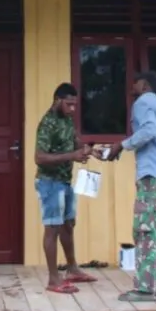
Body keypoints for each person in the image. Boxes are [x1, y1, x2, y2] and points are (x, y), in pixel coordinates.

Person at [104, 71, 156, 302]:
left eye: (135, 82)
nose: (132, 86)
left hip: (152, 175)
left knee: (144, 229)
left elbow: (149, 131)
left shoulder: (143, 102)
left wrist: (121, 145)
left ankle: (144, 289)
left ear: (145, 85)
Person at [34, 82, 99, 294]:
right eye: (69, 104)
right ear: (57, 100)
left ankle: (72, 269)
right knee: (52, 228)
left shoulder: (67, 120)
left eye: (75, 105)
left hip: (65, 181)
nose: (72, 109)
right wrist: (71, 156)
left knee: (68, 224)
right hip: (49, 183)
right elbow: (39, 158)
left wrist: (88, 150)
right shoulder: (47, 124)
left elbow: (74, 140)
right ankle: (54, 279)